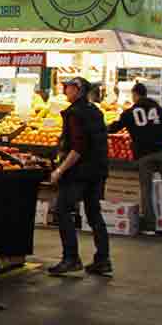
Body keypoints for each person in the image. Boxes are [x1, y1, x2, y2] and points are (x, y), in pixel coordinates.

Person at [47, 76, 112, 278]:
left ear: (78, 90)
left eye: (68, 87)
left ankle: (71, 258)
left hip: (79, 172)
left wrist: (60, 170)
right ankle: (103, 260)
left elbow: (78, 148)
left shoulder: (75, 114)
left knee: (62, 210)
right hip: (97, 170)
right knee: (94, 214)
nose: (65, 90)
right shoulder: (95, 111)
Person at [108, 82, 162, 236]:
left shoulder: (129, 113)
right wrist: (155, 134)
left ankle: (150, 226)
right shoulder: (157, 109)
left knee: (146, 190)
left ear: (135, 95)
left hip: (144, 155)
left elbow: (114, 128)